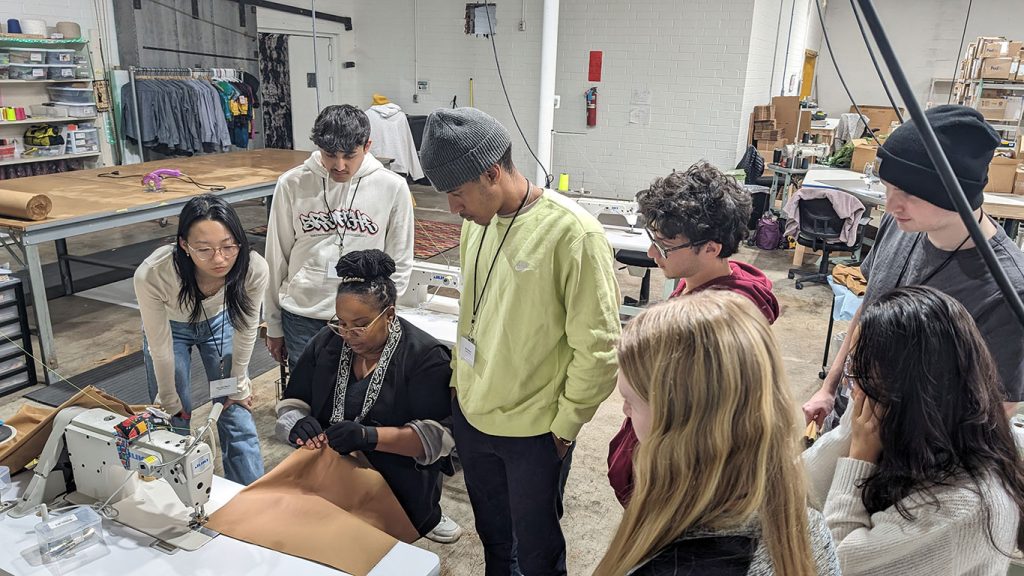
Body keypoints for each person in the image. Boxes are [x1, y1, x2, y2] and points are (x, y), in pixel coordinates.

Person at [419, 107, 621, 575]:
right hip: (472, 416)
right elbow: (470, 311)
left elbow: (599, 350)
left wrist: (565, 425)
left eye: (457, 194)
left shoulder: (573, 234)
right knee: (494, 541)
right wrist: (458, 384)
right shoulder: (478, 224)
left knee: (537, 552)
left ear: (492, 174)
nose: (453, 209)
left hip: (535, 431)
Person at [803, 105, 1024, 428]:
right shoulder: (902, 225)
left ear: (955, 194)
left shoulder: (1006, 290)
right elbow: (868, 309)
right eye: (888, 188)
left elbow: (997, 410)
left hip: (910, 458)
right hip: (850, 419)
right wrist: (829, 387)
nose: (890, 206)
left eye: (906, 192)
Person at [595, 292, 838, 576]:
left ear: (683, 422)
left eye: (631, 401)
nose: (624, 410)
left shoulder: (672, 565)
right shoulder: (807, 529)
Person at [803, 286, 1024, 575]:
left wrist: (858, 458)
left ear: (906, 390)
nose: (852, 384)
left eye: (859, 372)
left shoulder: (965, 505)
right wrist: (855, 427)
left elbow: (830, 564)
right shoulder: (906, 424)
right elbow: (797, 486)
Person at [607, 162, 780, 506]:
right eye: (653, 240)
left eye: (665, 247)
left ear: (711, 248)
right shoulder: (695, 285)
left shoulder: (718, 322)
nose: (652, 254)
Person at [274, 249, 462, 543]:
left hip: (397, 491)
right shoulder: (328, 342)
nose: (349, 334)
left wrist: (369, 437)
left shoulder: (424, 357)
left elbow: (441, 437)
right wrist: (296, 423)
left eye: (360, 325)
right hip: (331, 480)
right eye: (342, 323)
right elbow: (293, 402)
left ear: (389, 314)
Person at [264, 104, 415, 372]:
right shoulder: (292, 183)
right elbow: (276, 257)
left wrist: (383, 315)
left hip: (364, 317)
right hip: (303, 313)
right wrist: (273, 323)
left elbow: (400, 260)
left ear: (367, 146)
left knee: (361, 392)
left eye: (349, 155)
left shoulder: (392, 186)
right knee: (308, 393)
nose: (339, 165)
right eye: (330, 155)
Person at [135, 194, 266, 485]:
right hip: (171, 328)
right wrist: (168, 398)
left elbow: (246, 328)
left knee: (235, 406)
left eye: (228, 246)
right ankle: (177, 488)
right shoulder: (154, 273)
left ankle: (251, 491)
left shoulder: (253, 267)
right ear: (184, 245)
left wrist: (240, 382)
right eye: (204, 249)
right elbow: (160, 346)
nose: (219, 259)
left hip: (220, 323)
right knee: (174, 414)